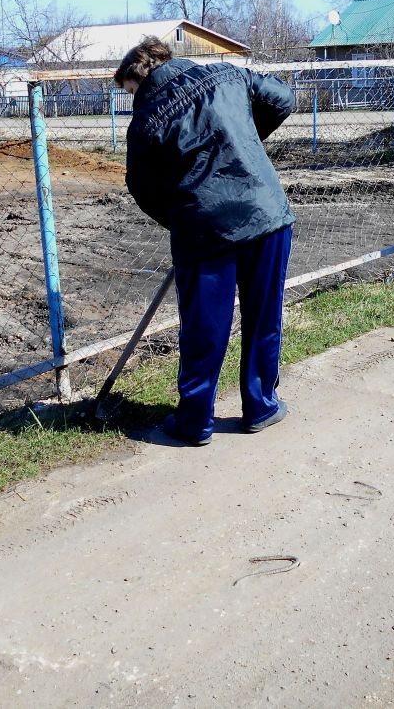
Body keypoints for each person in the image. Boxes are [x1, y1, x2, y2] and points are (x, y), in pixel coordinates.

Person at [116, 37, 296, 447]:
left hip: (204, 229)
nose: (131, 98)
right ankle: (261, 405)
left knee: (204, 328)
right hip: (265, 213)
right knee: (263, 316)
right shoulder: (229, 73)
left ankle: (196, 421)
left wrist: (182, 216)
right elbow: (283, 98)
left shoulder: (145, 119)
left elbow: (142, 188)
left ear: (137, 76)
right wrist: (242, 142)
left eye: (128, 90)